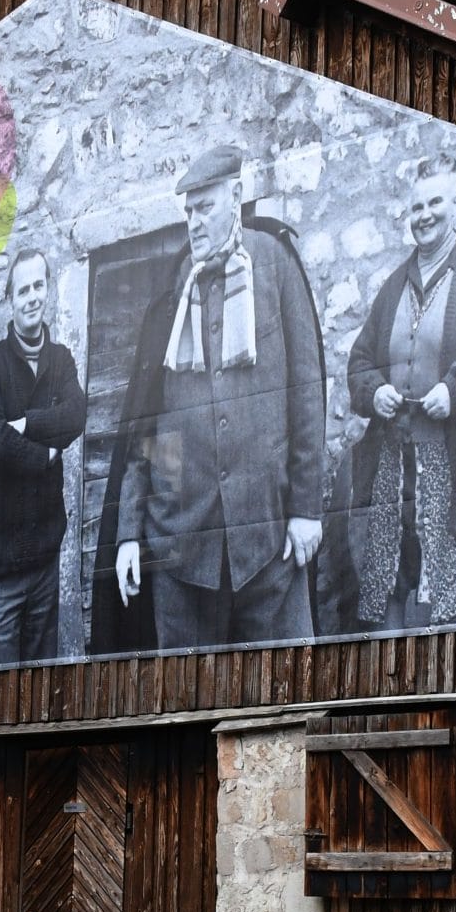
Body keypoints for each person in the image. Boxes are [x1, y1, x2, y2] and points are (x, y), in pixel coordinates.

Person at [113, 144, 326, 652]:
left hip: (269, 545)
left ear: (236, 196)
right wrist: (127, 533)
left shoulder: (275, 266)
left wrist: (306, 508)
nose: (194, 222)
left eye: (205, 206)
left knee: (288, 697)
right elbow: (147, 428)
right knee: (192, 708)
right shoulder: (173, 294)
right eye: (188, 211)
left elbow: (307, 392)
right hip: (185, 552)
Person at [347, 153, 456, 629]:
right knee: (398, 572)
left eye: (435, 203)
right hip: (397, 455)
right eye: (415, 208)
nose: (424, 216)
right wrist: (375, 391)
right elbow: (360, 361)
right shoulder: (394, 285)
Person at [0, 248, 87, 665]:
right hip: (0, 572)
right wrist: (49, 455)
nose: (33, 296)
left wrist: (27, 425)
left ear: (49, 289)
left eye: (39, 285)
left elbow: (77, 415)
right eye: (24, 289)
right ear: (11, 299)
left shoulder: (61, 360)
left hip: (44, 565)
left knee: (42, 692)